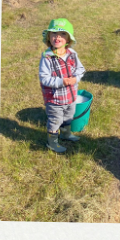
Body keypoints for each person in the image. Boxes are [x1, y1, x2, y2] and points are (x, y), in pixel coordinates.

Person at [38, 18, 86, 153]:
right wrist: (61, 82)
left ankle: (66, 135)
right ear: (48, 37)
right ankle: (52, 143)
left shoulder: (72, 54)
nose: (57, 37)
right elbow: (44, 78)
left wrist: (75, 78)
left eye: (62, 34)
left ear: (69, 39)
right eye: (53, 33)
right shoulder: (47, 57)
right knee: (55, 120)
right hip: (55, 99)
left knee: (69, 117)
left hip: (70, 97)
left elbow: (80, 69)